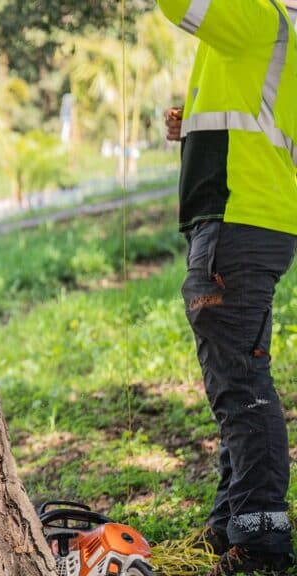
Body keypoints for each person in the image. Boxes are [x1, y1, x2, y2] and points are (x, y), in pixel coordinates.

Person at [159, 0, 297, 574]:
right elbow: (251, 116)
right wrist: (189, 122)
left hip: (236, 222)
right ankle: (231, 522)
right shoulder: (274, 30)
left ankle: (261, 536)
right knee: (235, 377)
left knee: (238, 384)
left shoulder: (259, 17)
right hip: (252, 220)